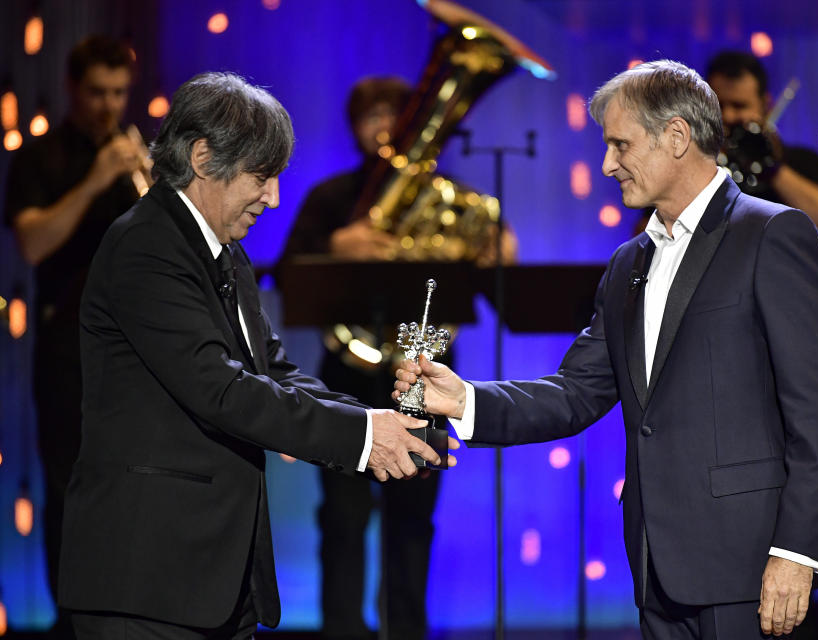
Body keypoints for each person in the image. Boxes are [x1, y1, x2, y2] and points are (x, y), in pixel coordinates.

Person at [395, 60, 818, 640]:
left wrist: (797, 553)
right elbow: (576, 391)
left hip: (751, 569)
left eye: (620, 145)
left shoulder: (772, 234)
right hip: (656, 566)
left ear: (678, 137)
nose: (607, 164)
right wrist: (464, 399)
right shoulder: (628, 261)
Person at [58, 71, 453, 640]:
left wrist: (380, 424)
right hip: (146, 581)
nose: (272, 199)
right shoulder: (144, 245)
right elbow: (221, 389)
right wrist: (364, 437)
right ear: (201, 157)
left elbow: (274, 372)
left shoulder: (224, 252)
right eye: (261, 177)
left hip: (215, 582)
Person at [283, 76, 475, 640]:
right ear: (353, 126)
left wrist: (491, 246)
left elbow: (482, 264)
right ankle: (342, 630)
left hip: (422, 377)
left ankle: (408, 631)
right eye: (373, 116)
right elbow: (286, 273)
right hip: (347, 374)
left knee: (414, 519)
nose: (386, 126)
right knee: (343, 518)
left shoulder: (443, 194)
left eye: (397, 114)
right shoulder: (330, 199)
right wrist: (337, 248)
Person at [2, 35, 143, 637]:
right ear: (72, 89)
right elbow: (33, 244)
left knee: (138, 485)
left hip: (139, 349)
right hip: (69, 345)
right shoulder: (41, 158)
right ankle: (74, 622)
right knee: (70, 485)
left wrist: (153, 183)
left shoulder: (137, 154)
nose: (107, 105)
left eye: (117, 93)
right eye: (96, 93)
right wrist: (94, 180)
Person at [705, 50, 818, 240]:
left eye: (739, 106)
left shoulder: (801, 160)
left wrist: (771, 169)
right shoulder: (695, 165)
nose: (728, 116)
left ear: (766, 106)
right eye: (719, 106)